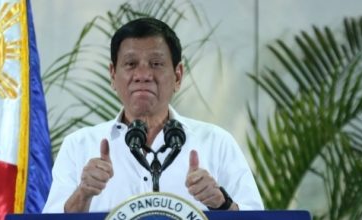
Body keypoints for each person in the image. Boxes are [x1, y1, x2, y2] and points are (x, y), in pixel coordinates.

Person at [42, 17, 264, 213]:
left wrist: (222, 204)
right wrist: (83, 193)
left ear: (178, 76)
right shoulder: (78, 146)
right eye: (131, 64)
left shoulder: (216, 143)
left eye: (156, 64)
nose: (143, 75)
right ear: (112, 75)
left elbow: (256, 216)